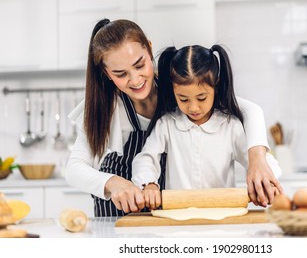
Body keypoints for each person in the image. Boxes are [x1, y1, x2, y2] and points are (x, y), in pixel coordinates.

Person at [65, 18, 283, 217]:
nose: (135, 79)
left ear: (149, 49)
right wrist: (113, 183)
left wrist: (257, 160)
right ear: (106, 73)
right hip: (112, 215)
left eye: (140, 65)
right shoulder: (102, 107)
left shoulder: (181, 91)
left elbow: (249, 110)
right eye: (120, 74)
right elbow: (74, 169)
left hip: (163, 213)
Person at [131, 45, 281, 209]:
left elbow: (260, 163)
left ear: (216, 85)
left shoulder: (230, 126)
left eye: (201, 98)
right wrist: (149, 184)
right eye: (183, 99)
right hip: (178, 221)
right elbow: (146, 159)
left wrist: (266, 183)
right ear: (173, 89)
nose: (193, 107)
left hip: (224, 220)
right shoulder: (167, 124)